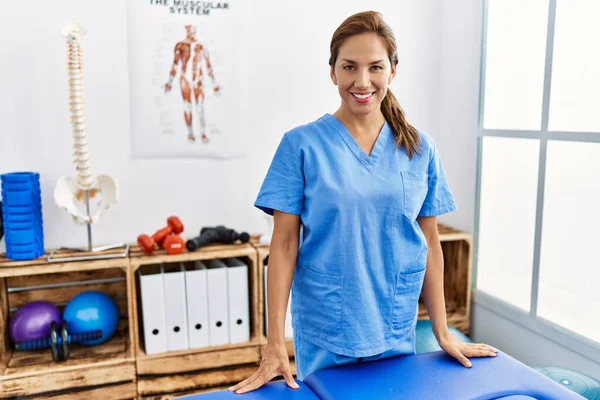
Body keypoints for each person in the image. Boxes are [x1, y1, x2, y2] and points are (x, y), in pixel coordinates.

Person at [229, 10, 498, 395]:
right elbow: (284, 245)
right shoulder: (300, 145)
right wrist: (274, 343)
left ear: (393, 70)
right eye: (349, 67)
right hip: (327, 323)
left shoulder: (420, 149)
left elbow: (430, 243)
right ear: (333, 71)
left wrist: (441, 331)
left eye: (375, 67)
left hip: (393, 320)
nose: (362, 81)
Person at [164, 25, 220, 144]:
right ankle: (190, 132)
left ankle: (203, 133)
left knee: (200, 107)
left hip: (198, 79)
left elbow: (208, 65)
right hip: (185, 79)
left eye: (193, 30)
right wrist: (169, 82)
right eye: (189, 30)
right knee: (187, 106)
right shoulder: (180, 45)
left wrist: (214, 83)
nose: (192, 32)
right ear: (187, 30)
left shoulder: (201, 46)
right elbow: (175, 64)